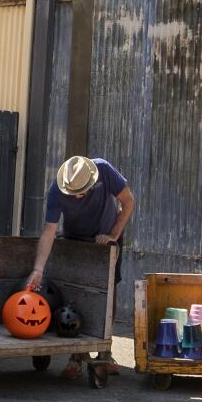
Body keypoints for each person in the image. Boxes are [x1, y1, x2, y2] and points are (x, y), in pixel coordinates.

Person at [26, 155, 135, 380]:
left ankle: (105, 351)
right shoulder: (57, 190)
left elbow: (129, 202)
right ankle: (77, 356)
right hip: (76, 238)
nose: (76, 196)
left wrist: (114, 235)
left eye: (81, 191)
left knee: (108, 293)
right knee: (76, 296)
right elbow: (49, 231)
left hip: (106, 239)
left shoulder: (104, 170)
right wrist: (38, 269)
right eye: (72, 192)